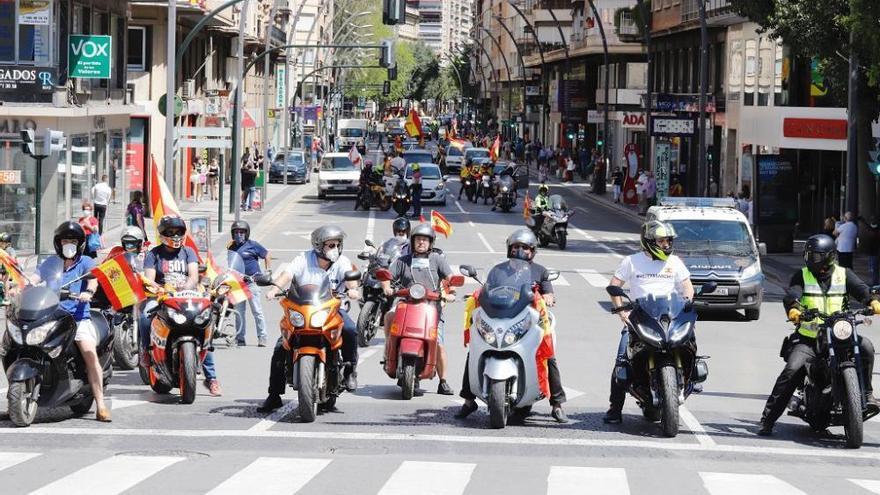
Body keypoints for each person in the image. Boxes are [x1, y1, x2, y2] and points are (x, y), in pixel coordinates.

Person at [757, 234, 879, 436]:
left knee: (866, 347)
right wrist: (794, 309)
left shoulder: (843, 274)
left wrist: (871, 301)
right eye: (809, 255)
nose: (810, 259)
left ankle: (866, 395)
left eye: (815, 256)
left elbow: (862, 290)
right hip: (810, 339)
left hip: (840, 334)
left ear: (829, 256)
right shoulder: (802, 275)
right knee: (792, 370)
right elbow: (792, 295)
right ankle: (767, 419)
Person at [456, 229, 568, 423]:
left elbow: (548, 292)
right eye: (516, 246)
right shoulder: (498, 269)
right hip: (501, 318)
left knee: (547, 355)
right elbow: (487, 288)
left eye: (525, 247)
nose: (520, 250)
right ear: (509, 248)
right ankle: (468, 400)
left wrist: (548, 297)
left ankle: (557, 404)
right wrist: (476, 294)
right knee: (474, 349)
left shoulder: (539, 271)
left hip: (529, 321)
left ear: (532, 250)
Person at [258, 226, 360, 412]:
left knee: (350, 330)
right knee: (281, 346)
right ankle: (274, 395)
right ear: (319, 246)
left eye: (338, 244)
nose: (335, 248)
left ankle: (350, 371)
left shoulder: (343, 261)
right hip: (303, 310)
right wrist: (274, 289)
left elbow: (350, 278)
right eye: (331, 245)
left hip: (332, 311)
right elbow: (287, 275)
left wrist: (352, 289)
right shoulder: (303, 258)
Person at [603, 220, 695, 424]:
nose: (666, 245)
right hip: (640, 318)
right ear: (649, 242)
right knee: (621, 361)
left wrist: (688, 302)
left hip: (670, 317)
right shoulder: (631, 261)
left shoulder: (675, 262)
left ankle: (691, 376)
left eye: (668, 241)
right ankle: (614, 408)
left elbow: (687, 287)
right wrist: (622, 313)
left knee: (690, 342)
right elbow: (614, 285)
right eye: (662, 241)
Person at [32, 222, 110, 421]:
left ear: (80, 244)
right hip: (51, 318)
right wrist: (22, 285)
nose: (69, 244)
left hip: (77, 319)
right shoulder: (50, 263)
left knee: (90, 354)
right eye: (66, 240)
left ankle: (101, 404)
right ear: (58, 243)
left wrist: (88, 292)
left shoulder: (85, 262)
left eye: (73, 241)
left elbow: (93, 278)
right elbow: (35, 277)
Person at [141, 215, 222, 396]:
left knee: (203, 327)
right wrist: (161, 289)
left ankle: (212, 379)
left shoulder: (188, 252)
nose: (175, 236)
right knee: (145, 315)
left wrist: (186, 287)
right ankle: (146, 353)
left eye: (178, 232)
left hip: (186, 296)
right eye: (171, 232)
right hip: (162, 297)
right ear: (162, 234)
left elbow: (194, 276)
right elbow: (149, 279)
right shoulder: (153, 254)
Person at [381, 223, 456, 395]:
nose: (421, 242)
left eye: (425, 240)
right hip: (406, 303)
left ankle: (443, 381)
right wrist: (386, 287)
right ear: (412, 241)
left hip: (432, 306)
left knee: (439, 343)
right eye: (418, 239)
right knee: (389, 316)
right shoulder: (403, 260)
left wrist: (451, 291)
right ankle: (389, 348)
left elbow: (450, 278)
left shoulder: (437, 260)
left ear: (431, 243)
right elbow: (388, 276)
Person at [228, 220, 270, 347]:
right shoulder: (231, 246)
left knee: (257, 311)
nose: (239, 234)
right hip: (238, 283)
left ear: (247, 233)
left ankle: (262, 337)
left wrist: (267, 271)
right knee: (239, 312)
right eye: (236, 232)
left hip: (253, 281)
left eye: (242, 232)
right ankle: (240, 338)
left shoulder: (253, 245)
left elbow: (267, 254)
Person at [860, 217, 880, 286]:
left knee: (874, 270)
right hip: (873, 253)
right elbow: (868, 226)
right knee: (874, 269)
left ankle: (875, 283)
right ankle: (875, 283)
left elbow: (868, 227)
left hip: (874, 253)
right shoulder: (875, 231)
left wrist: (863, 221)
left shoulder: (875, 232)